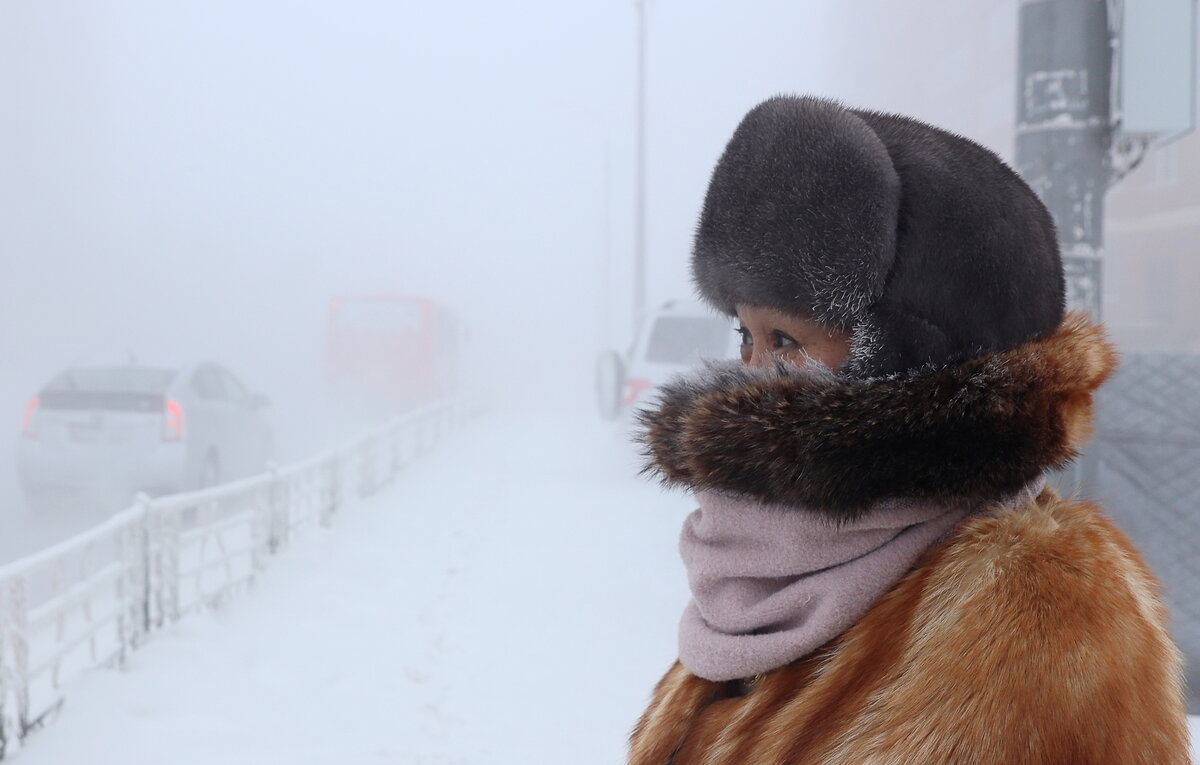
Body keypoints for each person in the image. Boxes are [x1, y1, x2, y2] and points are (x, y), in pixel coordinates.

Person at [628, 96, 1190, 764]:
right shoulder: (768, 590)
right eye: (743, 335)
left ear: (909, 361)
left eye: (785, 337)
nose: (751, 373)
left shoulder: (1038, 625)